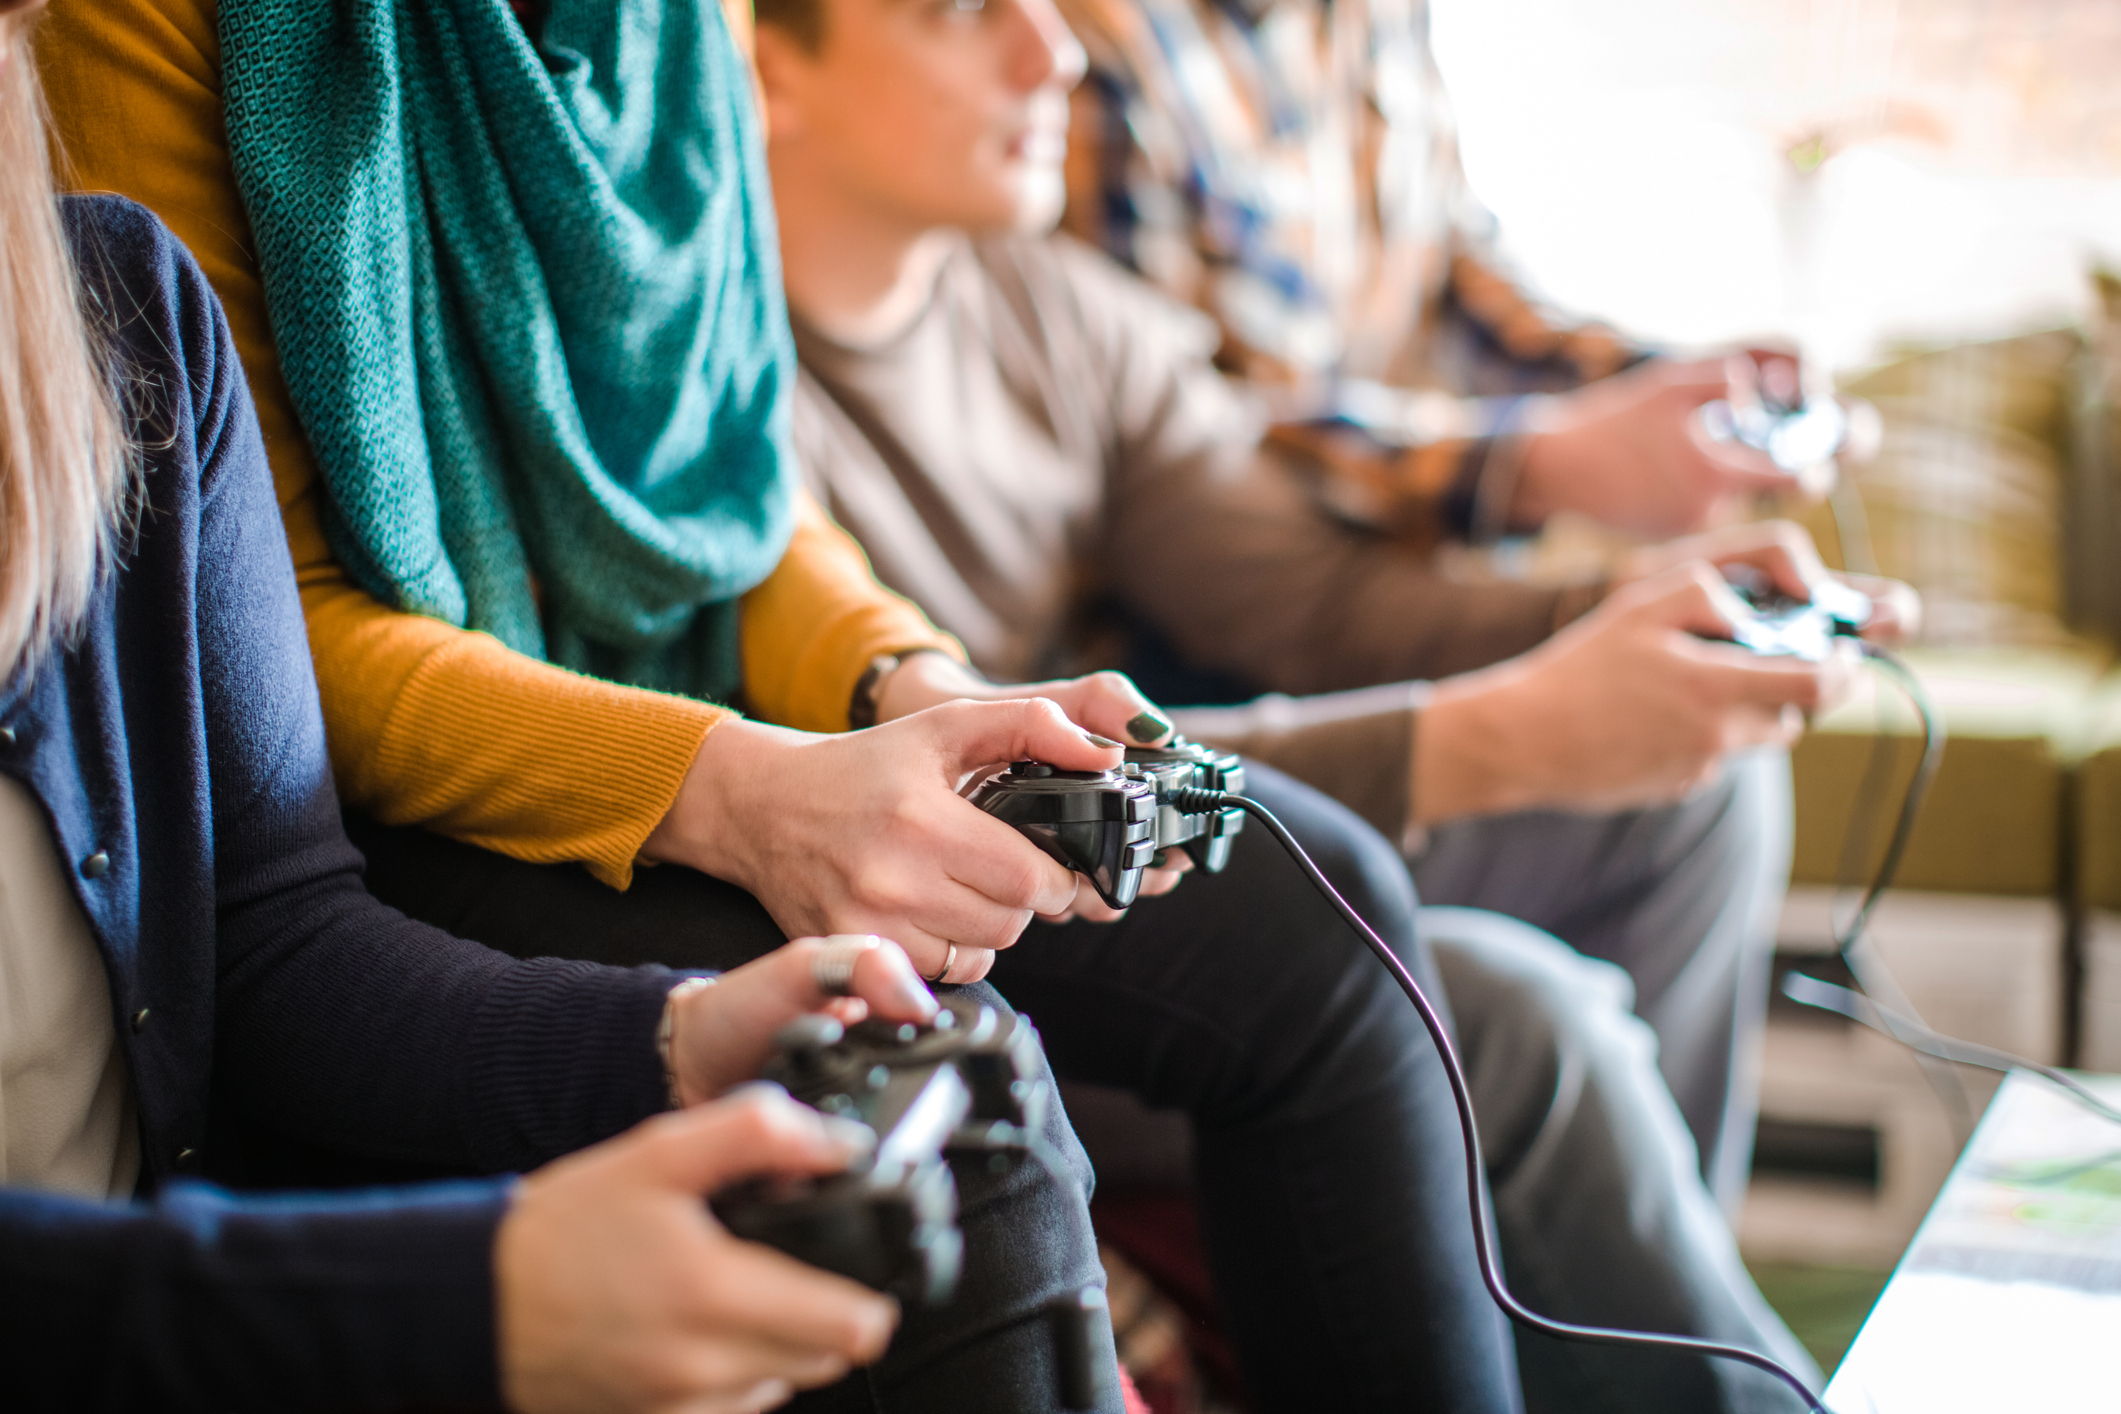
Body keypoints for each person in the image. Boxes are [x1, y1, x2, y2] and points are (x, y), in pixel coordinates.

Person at [39, 0, 1571, 1409]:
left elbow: (743, 491)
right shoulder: (148, 44)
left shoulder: (674, 29)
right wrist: (745, 791)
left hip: (705, 712)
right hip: (389, 805)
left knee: (1316, 911)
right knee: (946, 1094)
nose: (1052, 48)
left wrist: (912, 683)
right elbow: (262, 633)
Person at [0, 3, 1133, 1407]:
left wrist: (683, 1033)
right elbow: (306, 641)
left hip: (630, 768)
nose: (1055, 48)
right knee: (974, 1153)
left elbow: (273, 937)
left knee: (1045, 1047)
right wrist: (481, 1297)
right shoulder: (150, 90)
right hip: (460, 804)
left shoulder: (120, 300)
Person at [751, 0, 1835, 1408]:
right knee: (1513, 1014)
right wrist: (1492, 735)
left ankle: (1622, 1311)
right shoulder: (722, 421)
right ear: (764, 66)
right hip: (1008, 957)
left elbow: (1309, 605)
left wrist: (1633, 611)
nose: (1053, 50)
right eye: (960, 13)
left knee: (1689, 795)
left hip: (1149, 869)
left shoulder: (1062, 312)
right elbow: (964, 807)